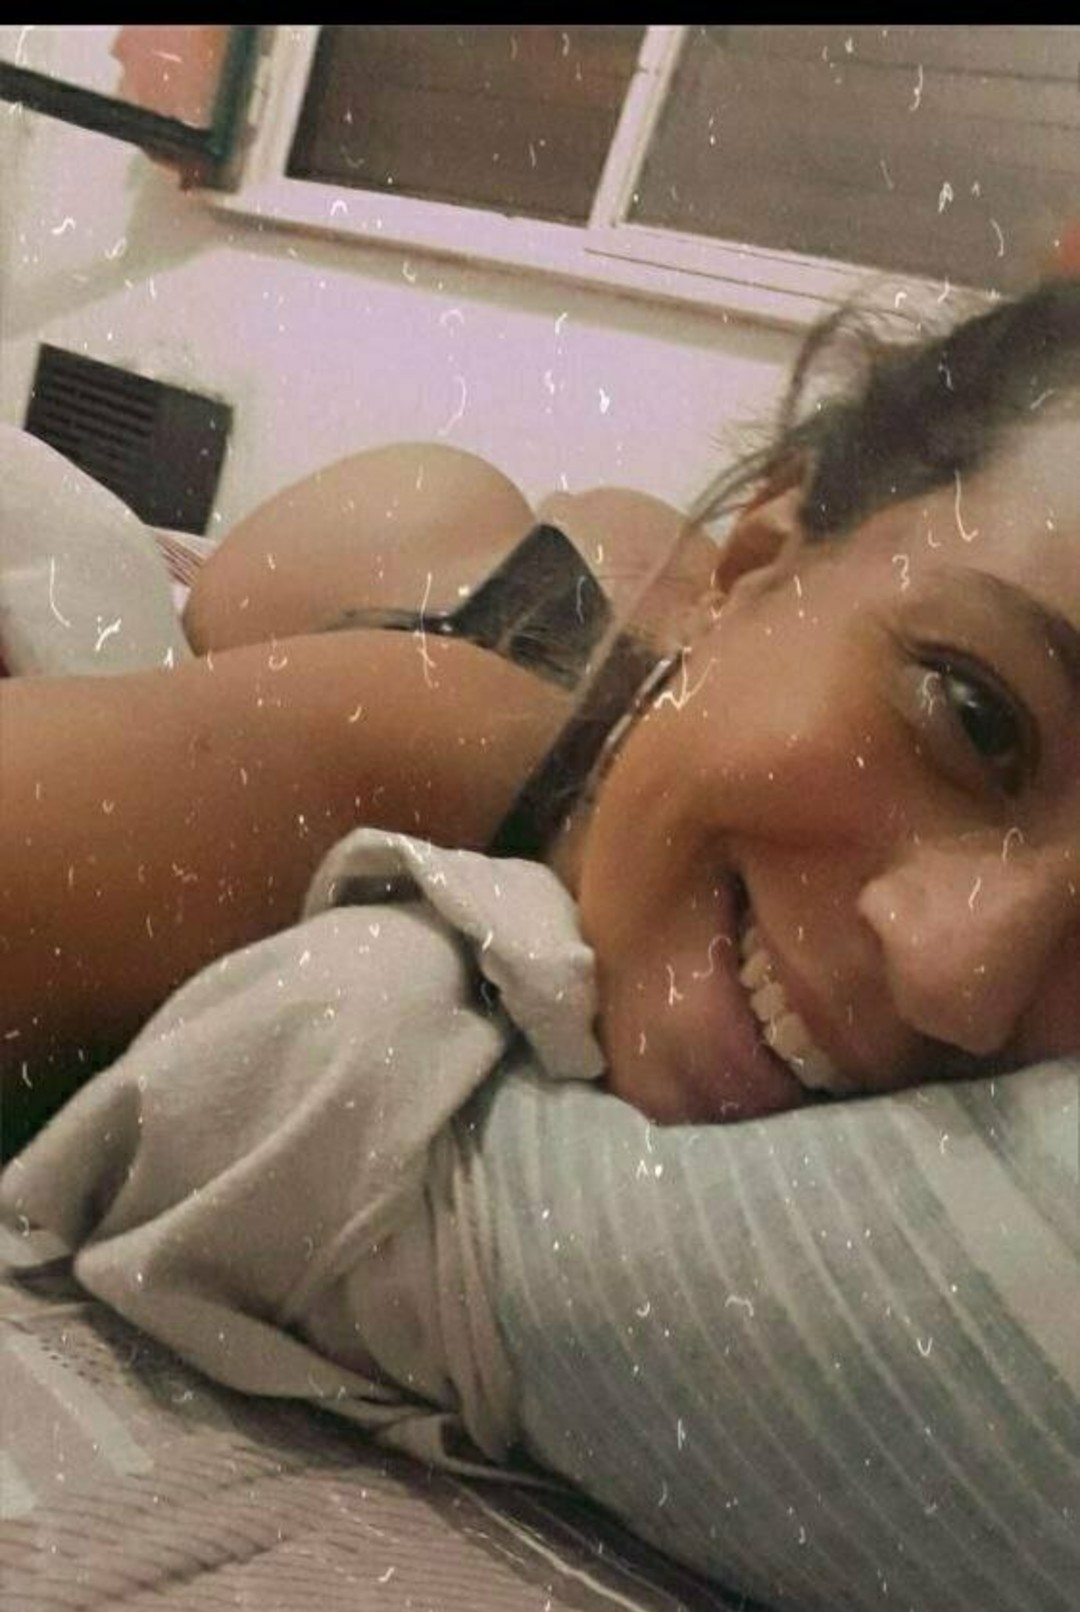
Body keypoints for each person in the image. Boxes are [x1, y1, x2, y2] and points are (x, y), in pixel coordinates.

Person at [1, 278, 1079, 1151]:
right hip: (453, 581)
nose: (958, 984)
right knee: (313, 576)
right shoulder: (424, 735)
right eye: (975, 715)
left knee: (629, 545)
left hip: (651, 620)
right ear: (762, 558)